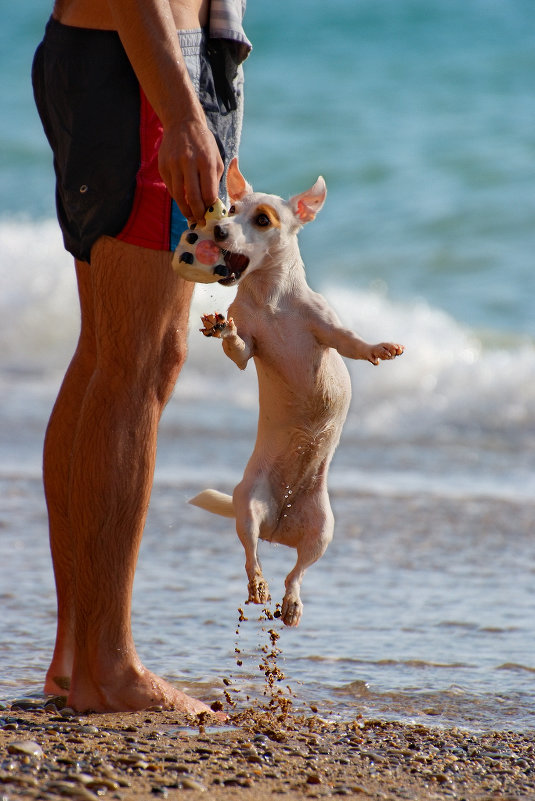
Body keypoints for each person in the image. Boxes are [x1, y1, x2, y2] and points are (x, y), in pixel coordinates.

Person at [31, 0, 250, 714]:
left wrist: (212, 111)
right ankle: (110, 669)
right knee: (135, 359)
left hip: (133, 60)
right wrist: (186, 114)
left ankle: (77, 657)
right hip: (143, 67)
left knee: (116, 354)